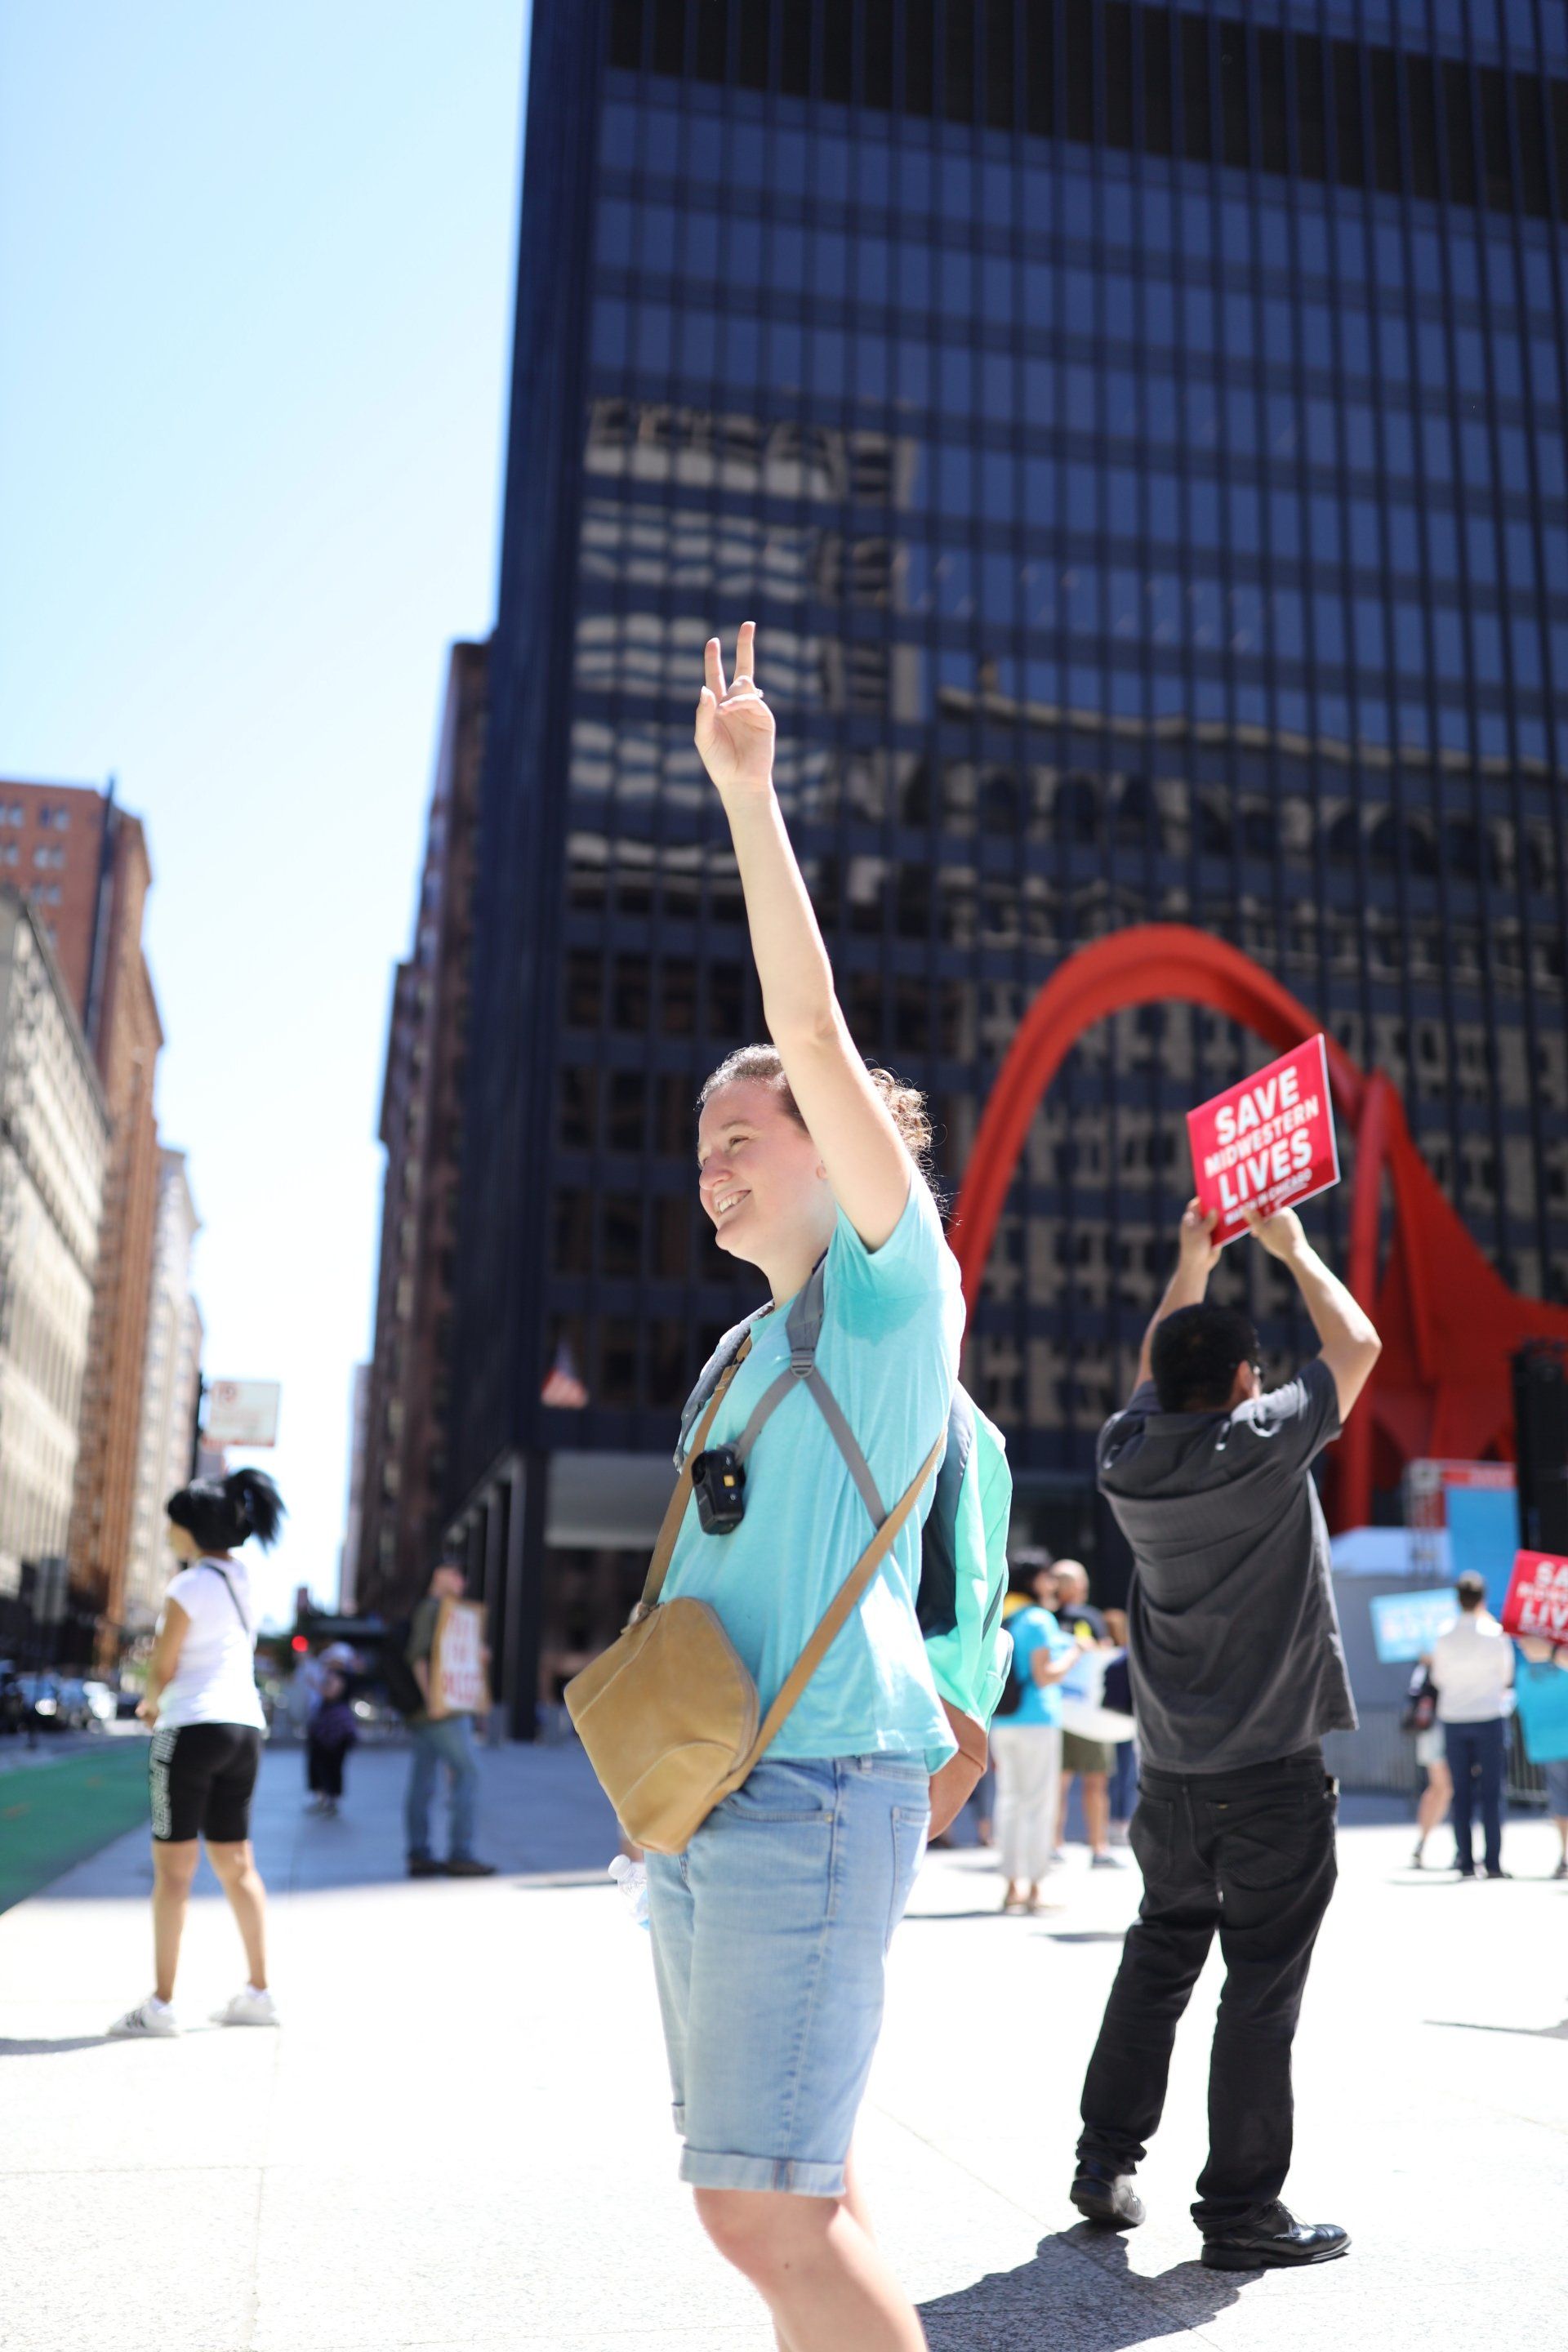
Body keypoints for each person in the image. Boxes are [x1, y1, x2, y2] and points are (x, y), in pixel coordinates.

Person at [639, 624, 960, 2352]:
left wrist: (748, 797)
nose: (716, 1153)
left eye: (745, 1132)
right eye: (701, 1141)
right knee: (794, 2199)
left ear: (844, 1161)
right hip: (718, 1798)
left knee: (758, 2204)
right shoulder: (746, 1348)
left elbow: (810, 1028)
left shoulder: (893, 1302)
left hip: (817, 1789)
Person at [1072, 1196, 1379, 2271]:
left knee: (1159, 1958)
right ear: (1248, 1381)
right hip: (1274, 1779)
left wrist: (1191, 1259)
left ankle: (1103, 2160)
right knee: (1260, 1987)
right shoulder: (1261, 1442)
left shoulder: (1125, 1458)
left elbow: (1157, 1386)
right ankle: (1242, 2216)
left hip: (1169, 1780)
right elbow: (1359, 1346)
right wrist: (1291, 1245)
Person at [109, 1470, 286, 2038]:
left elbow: (164, 1665)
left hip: (189, 1729)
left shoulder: (187, 1587)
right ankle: (259, 1992)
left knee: (174, 1873)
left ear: (189, 1530)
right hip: (244, 1729)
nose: (167, 1533)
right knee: (238, 1865)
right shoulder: (246, 1582)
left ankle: (161, 2005)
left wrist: (151, 1702)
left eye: (172, 1524)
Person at [404, 1555, 497, 1879]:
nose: (462, 1582)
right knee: (469, 1772)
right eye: (456, 1575)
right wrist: (433, 1700)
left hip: (431, 1711)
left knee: (423, 1782)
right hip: (441, 1711)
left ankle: (419, 1853)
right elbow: (418, 1657)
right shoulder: (434, 1609)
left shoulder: (446, 1612)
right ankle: (460, 1853)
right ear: (439, 1573)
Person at [992, 1576, 1077, 1912]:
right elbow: (1045, 1675)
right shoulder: (1040, 1619)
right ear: (1037, 1581)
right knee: (1039, 1804)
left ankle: (1011, 1885)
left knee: (1009, 1801)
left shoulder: (1004, 1614)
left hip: (1002, 1720)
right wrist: (1073, 1656)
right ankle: (1035, 1889)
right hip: (1038, 1720)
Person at [1428, 1571, 1514, 1879]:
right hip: (1489, 1717)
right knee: (1492, 1793)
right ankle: (1493, 1863)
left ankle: (1465, 1861)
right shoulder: (1496, 1633)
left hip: (1453, 1718)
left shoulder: (1443, 1634)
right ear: (1483, 1598)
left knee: (1461, 1793)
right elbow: (1506, 1676)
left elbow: (1437, 1678)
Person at [1052, 1560, 1120, 1868]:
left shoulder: (1091, 1617)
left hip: (1090, 1713)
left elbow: (1105, 1652)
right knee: (1058, 1783)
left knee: (1096, 1783)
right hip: (1058, 1711)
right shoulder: (1046, 1618)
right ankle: (1053, 1844)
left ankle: (1099, 1847)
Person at [1516, 1637, 1568, 1877]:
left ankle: (1565, 1855)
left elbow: (1522, 1705)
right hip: (1553, 1742)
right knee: (1559, 1800)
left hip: (1548, 1742)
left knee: (1559, 1800)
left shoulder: (1526, 1674)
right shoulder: (1532, 1671)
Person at [1405, 1659, 1451, 1870]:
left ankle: (1422, 1843)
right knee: (1441, 1788)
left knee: (1444, 1790)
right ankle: (1422, 1843)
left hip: (1452, 1723)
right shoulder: (1425, 1663)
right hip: (1435, 1728)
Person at [305, 1645, 359, 1818]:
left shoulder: (342, 1676)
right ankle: (324, 1798)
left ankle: (331, 1799)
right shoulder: (334, 1674)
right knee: (321, 1763)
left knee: (331, 1764)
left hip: (334, 1727)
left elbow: (331, 1693)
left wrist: (315, 1685)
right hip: (328, 1726)